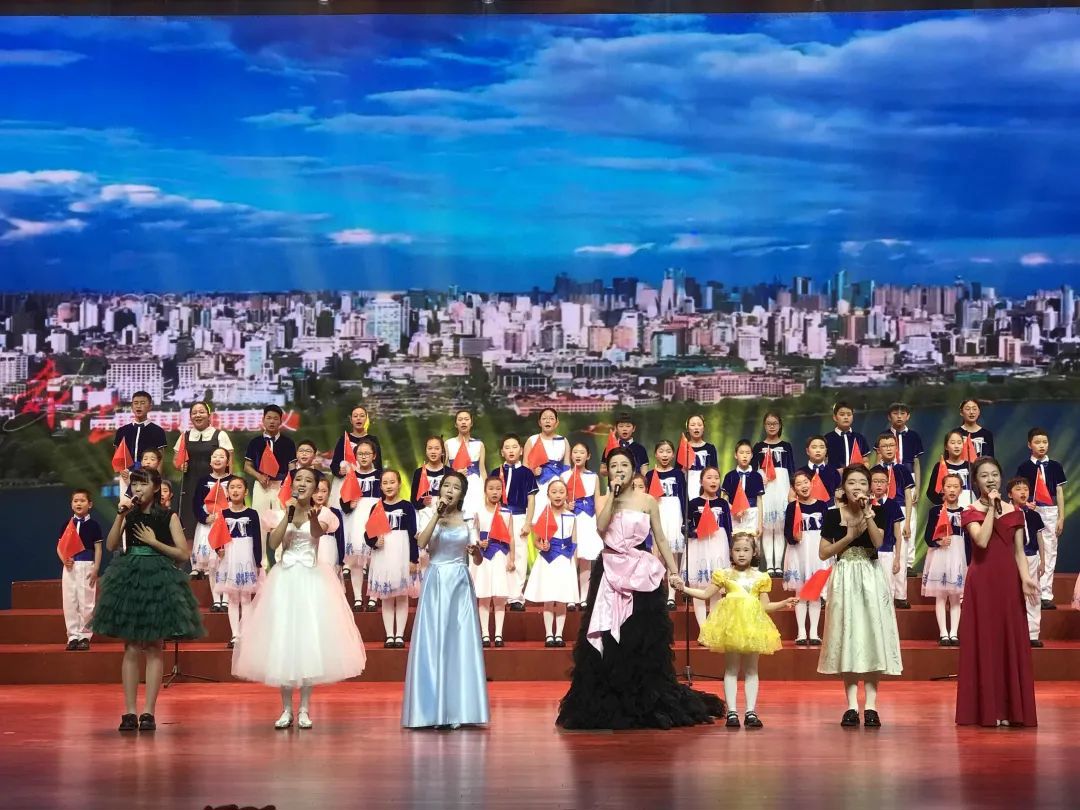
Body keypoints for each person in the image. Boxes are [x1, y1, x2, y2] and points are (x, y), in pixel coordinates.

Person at [556, 448, 725, 730]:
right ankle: (609, 699)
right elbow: (601, 528)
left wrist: (674, 572)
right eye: (614, 465)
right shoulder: (605, 499)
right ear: (608, 470)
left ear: (633, 469)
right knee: (609, 637)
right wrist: (613, 496)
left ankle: (644, 699)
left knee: (640, 637)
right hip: (610, 571)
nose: (619, 470)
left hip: (640, 572)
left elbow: (660, 538)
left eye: (624, 465)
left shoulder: (647, 501)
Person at [232, 468, 365, 730]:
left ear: (315, 488)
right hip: (284, 580)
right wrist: (288, 515)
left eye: (308, 481)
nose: (302, 484)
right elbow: (273, 543)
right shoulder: (280, 513)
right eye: (299, 480)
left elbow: (316, 534)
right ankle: (285, 709)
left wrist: (312, 518)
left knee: (307, 642)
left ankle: (304, 708)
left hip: (311, 580)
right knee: (283, 641)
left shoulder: (323, 514)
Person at [91, 468, 204, 732]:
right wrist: (120, 514)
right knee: (131, 646)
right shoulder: (128, 514)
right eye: (135, 484)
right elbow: (111, 545)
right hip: (131, 577)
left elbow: (182, 554)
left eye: (143, 484)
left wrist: (154, 542)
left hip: (158, 578)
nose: (138, 489)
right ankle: (130, 711)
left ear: (156, 487)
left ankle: (148, 712)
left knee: (154, 646)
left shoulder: (168, 516)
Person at [676, 533, 797, 729]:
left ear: (754, 552)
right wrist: (685, 589)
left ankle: (751, 711)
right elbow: (706, 594)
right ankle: (732, 711)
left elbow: (765, 606)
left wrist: (784, 602)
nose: (741, 554)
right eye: (737, 550)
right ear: (731, 552)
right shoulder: (724, 574)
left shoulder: (761, 577)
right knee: (731, 669)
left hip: (752, 627)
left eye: (746, 550)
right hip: (732, 627)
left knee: (751, 669)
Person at [817, 464, 903, 728]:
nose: (858, 487)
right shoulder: (832, 514)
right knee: (848, 635)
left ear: (870, 488)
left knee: (872, 635)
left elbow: (878, 542)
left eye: (863, 483)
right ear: (844, 488)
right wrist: (849, 537)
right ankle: (852, 705)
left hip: (870, 574)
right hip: (844, 575)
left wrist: (867, 514)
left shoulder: (878, 511)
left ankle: (872, 706)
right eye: (852, 483)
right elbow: (823, 552)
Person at [402, 471, 489, 729]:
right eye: (446, 486)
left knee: (459, 642)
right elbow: (422, 543)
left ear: (462, 494)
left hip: (460, 582)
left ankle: (458, 710)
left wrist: (476, 552)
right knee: (435, 640)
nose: (450, 490)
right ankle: (431, 710)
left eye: (455, 487)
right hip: (436, 580)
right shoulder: (429, 514)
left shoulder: (469, 519)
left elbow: (477, 559)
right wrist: (436, 515)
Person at [956, 457, 1038, 727]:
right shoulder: (970, 511)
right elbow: (981, 540)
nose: (990, 479)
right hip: (982, 582)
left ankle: (1010, 709)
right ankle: (987, 710)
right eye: (984, 476)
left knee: (1008, 640)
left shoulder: (1015, 512)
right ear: (975, 481)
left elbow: (1019, 551)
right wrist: (992, 508)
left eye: (994, 474)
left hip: (1008, 581)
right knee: (985, 640)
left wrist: (1025, 578)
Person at [365, 470, 419, 649]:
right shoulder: (376, 507)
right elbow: (368, 533)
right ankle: (389, 635)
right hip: (383, 555)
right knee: (386, 596)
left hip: (402, 552)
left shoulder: (407, 507)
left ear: (399, 483)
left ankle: (399, 635)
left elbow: (413, 535)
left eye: (392, 482)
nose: (388, 486)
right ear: (380, 486)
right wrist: (374, 542)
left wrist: (413, 559)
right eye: (385, 483)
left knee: (401, 595)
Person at [1016, 427, 1067, 611]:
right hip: (1032, 510)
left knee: (1050, 551)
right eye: (1037, 442)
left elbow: (1059, 492)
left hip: (1051, 510)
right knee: (1034, 550)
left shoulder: (1055, 466)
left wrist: (1061, 517)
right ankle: (1032, 590)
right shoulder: (1024, 467)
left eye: (1044, 442)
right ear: (1029, 445)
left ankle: (1046, 594)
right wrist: (1025, 505)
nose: (1042, 445)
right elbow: (1019, 490)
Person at [524, 479, 579, 647]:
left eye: (561, 492)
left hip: (564, 561)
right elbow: (536, 541)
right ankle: (549, 634)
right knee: (548, 598)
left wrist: (573, 564)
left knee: (562, 599)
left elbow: (574, 542)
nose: (558, 495)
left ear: (567, 495)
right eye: (554, 492)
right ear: (548, 495)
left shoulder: (571, 516)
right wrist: (542, 546)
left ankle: (559, 634)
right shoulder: (545, 516)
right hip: (548, 561)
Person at [214, 477, 263, 649]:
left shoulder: (252, 514)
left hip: (247, 555)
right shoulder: (223, 514)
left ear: (246, 491)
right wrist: (218, 550)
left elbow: (257, 539)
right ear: (227, 492)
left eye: (239, 487)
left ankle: (246, 634)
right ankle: (235, 634)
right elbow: (217, 536)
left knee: (246, 597)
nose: (235, 490)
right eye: (232, 487)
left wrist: (258, 562)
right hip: (230, 555)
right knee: (233, 597)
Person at [782, 469, 830, 646]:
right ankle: (801, 632)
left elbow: (828, 530)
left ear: (812, 483)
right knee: (801, 592)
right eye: (798, 484)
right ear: (794, 488)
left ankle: (814, 632)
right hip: (799, 551)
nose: (803, 486)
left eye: (805, 482)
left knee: (815, 592)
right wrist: (794, 537)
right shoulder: (792, 507)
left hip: (817, 550)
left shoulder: (822, 505)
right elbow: (787, 531)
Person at [173, 401, 233, 539]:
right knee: (188, 525)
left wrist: (228, 486)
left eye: (201, 412)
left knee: (214, 522)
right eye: (194, 413)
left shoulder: (220, 435)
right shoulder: (185, 436)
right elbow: (176, 460)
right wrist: (179, 466)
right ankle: (190, 553)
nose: (198, 415)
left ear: (209, 415)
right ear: (190, 416)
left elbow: (229, 464)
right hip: (189, 486)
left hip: (214, 485)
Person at [685, 467, 732, 634]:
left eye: (716, 478)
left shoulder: (723, 503)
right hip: (699, 546)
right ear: (701, 481)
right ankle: (703, 629)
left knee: (716, 587)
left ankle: (712, 629)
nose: (713, 481)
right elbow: (685, 528)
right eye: (709, 477)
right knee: (699, 587)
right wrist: (695, 531)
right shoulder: (693, 503)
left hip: (718, 545)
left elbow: (729, 528)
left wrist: (731, 551)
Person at [494, 433, 538, 612]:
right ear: (502, 452)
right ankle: (500, 594)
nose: (511, 450)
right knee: (500, 556)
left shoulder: (527, 473)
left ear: (520, 451)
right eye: (507, 447)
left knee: (519, 555)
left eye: (514, 447)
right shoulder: (496, 472)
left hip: (519, 516)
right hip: (500, 516)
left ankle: (516, 597)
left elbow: (531, 500)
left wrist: (528, 522)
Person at [921, 474, 967, 646]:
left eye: (956, 486)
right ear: (942, 489)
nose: (952, 490)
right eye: (949, 486)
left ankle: (954, 633)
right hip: (940, 555)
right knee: (941, 596)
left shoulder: (965, 512)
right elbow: (928, 536)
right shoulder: (936, 511)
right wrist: (938, 542)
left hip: (958, 554)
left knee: (955, 597)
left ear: (961, 490)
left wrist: (969, 561)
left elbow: (969, 540)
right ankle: (943, 633)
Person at [472, 475, 515, 647]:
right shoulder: (478, 512)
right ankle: (484, 634)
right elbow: (473, 532)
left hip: (500, 556)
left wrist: (512, 558)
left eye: (498, 488)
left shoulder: (506, 513)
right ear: (485, 491)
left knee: (499, 596)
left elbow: (511, 536)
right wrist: (478, 542)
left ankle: (498, 634)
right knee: (484, 596)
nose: (495, 492)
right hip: (484, 557)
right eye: (491, 488)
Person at [190, 448, 236, 609]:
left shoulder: (233, 481)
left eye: (221, 456)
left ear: (227, 462)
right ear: (210, 461)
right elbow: (196, 503)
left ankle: (226, 599)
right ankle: (216, 600)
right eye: (214, 456)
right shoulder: (203, 480)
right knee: (212, 564)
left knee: (227, 561)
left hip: (227, 526)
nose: (218, 459)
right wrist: (205, 518)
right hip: (207, 526)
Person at [58, 488, 103, 651]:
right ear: (71, 504)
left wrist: (96, 568)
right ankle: (72, 636)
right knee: (70, 601)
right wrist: (64, 560)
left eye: (82, 500)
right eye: (75, 501)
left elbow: (98, 548)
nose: (79, 503)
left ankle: (85, 636)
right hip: (70, 567)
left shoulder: (94, 525)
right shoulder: (67, 524)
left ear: (90, 504)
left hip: (86, 565)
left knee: (86, 602)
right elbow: (59, 547)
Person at [341, 438, 382, 611]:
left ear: (374, 456)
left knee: (376, 558)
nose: (363, 457)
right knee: (357, 560)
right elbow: (343, 500)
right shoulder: (351, 476)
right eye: (360, 454)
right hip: (356, 519)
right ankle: (358, 598)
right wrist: (348, 505)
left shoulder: (380, 475)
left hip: (375, 515)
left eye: (367, 453)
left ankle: (373, 597)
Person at [754, 412, 796, 577]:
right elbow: (752, 470)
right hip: (766, 487)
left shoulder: (786, 446)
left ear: (780, 425)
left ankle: (778, 566)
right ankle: (769, 566)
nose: (772, 426)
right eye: (768, 423)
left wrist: (793, 488)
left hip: (782, 485)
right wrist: (759, 477)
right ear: (764, 425)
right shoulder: (758, 446)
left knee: (779, 528)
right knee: (766, 527)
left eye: (775, 423)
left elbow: (791, 469)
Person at [562, 442, 602, 610]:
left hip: (588, 520)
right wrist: (566, 505)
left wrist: (600, 523)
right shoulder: (565, 476)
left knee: (586, 559)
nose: (578, 455)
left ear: (588, 456)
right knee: (571, 559)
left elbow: (597, 500)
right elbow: (557, 500)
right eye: (575, 452)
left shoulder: (593, 477)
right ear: (571, 455)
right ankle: (570, 597)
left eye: (582, 452)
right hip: (571, 520)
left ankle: (584, 597)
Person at [1007, 478, 1047, 648]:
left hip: (1031, 557)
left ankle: (1032, 633)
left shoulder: (1034, 515)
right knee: (1011, 595)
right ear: (1010, 494)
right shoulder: (1005, 514)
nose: (1023, 492)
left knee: (1033, 595)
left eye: (1026, 489)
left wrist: (1043, 560)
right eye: (1018, 489)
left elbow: (1040, 538)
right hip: (1011, 559)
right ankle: (1010, 634)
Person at [243, 405, 297, 528]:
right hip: (261, 486)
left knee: (281, 521)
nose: (272, 421)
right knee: (259, 523)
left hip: (281, 486)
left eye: (275, 418)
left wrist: (291, 485)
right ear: (263, 420)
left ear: (280, 421)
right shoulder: (255, 442)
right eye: (268, 418)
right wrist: (259, 476)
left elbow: (292, 467)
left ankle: (281, 542)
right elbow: (247, 466)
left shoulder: (288, 443)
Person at [645, 440, 687, 594]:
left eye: (668, 451)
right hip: (657, 510)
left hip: (674, 512)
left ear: (673, 454)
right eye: (661, 451)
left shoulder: (678, 474)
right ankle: (657, 593)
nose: (665, 455)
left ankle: (671, 595)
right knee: (656, 554)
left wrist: (686, 519)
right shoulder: (650, 475)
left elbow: (684, 496)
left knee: (672, 554)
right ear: (655, 454)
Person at [887, 402, 924, 575]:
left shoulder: (914, 436)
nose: (899, 416)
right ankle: (890, 557)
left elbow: (916, 462)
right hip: (889, 476)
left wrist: (918, 487)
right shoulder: (884, 436)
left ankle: (908, 563)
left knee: (911, 519)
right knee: (888, 515)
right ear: (889, 417)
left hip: (909, 476)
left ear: (908, 416)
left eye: (903, 413)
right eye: (895, 413)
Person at [869, 464, 911, 610]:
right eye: (875, 481)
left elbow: (897, 534)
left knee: (887, 588)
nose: (879, 485)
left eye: (882, 482)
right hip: (869, 553)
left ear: (888, 484)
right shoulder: (865, 504)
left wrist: (897, 557)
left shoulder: (893, 505)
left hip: (887, 552)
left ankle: (888, 618)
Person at [330, 404, 382, 506]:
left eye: (362, 416)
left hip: (368, 482)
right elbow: (334, 465)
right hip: (346, 483)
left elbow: (378, 466)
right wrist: (340, 471)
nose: (358, 418)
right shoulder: (344, 439)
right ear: (351, 420)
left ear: (366, 419)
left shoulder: (373, 440)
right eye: (355, 416)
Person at [524, 407, 571, 518]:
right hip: (537, 483)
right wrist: (533, 472)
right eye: (544, 418)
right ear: (539, 422)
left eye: (551, 418)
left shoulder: (563, 440)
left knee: (556, 516)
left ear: (557, 422)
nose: (547, 421)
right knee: (538, 516)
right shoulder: (532, 440)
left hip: (557, 483)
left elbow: (567, 466)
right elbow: (524, 466)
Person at [113, 390, 168, 477]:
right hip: (126, 475)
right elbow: (117, 457)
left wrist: (156, 478)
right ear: (132, 407)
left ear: (150, 407)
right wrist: (121, 471)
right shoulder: (122, 430)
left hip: (148, 476)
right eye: (136, 403)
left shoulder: (158, 431)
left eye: (142, 403)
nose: (138, 406)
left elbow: (160, 459)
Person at [445, 409, 486, 518]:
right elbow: (445, 470)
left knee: (475, 518)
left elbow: (482, 470)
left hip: (475, 485)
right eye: (460, 419)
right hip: (455, 485)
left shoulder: (479, 444)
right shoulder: (448, 443)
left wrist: (486, 491)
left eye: (466, 419)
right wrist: (456, 474)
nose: (463, 422)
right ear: (455, 424)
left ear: (471, 423)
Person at [722, 441, 765, 541]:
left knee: (751, 543)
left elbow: (759, 500)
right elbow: (724, 498)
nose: (745, 456)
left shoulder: (757, 476)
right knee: (735, 543)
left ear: (752, 455)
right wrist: (734, 509)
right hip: (734, 515)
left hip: (752, 514)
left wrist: (760, 524)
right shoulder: (730, 476)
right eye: (741, 453)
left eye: (748, 453)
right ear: (735, 455)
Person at [925, 430, 976, 507]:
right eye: (952, 443)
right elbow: (931, 493)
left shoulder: (970, 466)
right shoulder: (940, 466)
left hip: (968, 506)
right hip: (947, 507)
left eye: (959, 443)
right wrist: (943, 500)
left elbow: (977, 490)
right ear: (946, 446)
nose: (956, 446)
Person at [410, 436, 452, 515]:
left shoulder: (450, 472)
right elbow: (413, 500)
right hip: (424, 515)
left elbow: (455, 498)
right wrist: (422, 502)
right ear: (426, 451)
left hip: (445, 515)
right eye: (430, 448)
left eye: (437, 448)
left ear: (442, 451)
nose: (433, 452)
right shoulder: (419, 473)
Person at [600, 411, 649, 478]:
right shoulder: (610, 447)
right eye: (621, 426)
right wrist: (614, 467)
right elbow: (602, 471)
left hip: (634, 483)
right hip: (615, 483)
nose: (624, 429)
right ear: (616, 428)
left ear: (634, 428)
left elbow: (644, 473)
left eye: (628, 426)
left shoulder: (640, 449)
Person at [825, 401, 870, 473]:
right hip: (835, 477)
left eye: (849, 414)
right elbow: (823, 462)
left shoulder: (860, 438)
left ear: (853, 417)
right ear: (835, 417)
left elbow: (866, 461)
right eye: (842, 414)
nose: (846, 417)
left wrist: (861, 470)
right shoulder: (827, 438)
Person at [683, 414, 718, 501]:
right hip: (688, 486)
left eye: (699, 425)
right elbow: (678, 472)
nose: (696, 427)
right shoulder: (683, 448)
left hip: (706, 486)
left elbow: (715, 471)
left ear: (703, 428)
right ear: (688, 429)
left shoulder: (710, 448)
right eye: (692, 425)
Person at [805, 435, 840, 506]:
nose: (818, 450)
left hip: (830, 508)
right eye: (814, 447)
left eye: (821, 447)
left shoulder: (833, 471)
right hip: (806, 509)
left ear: (826, 451)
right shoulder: (801, 472)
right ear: (807, 451)